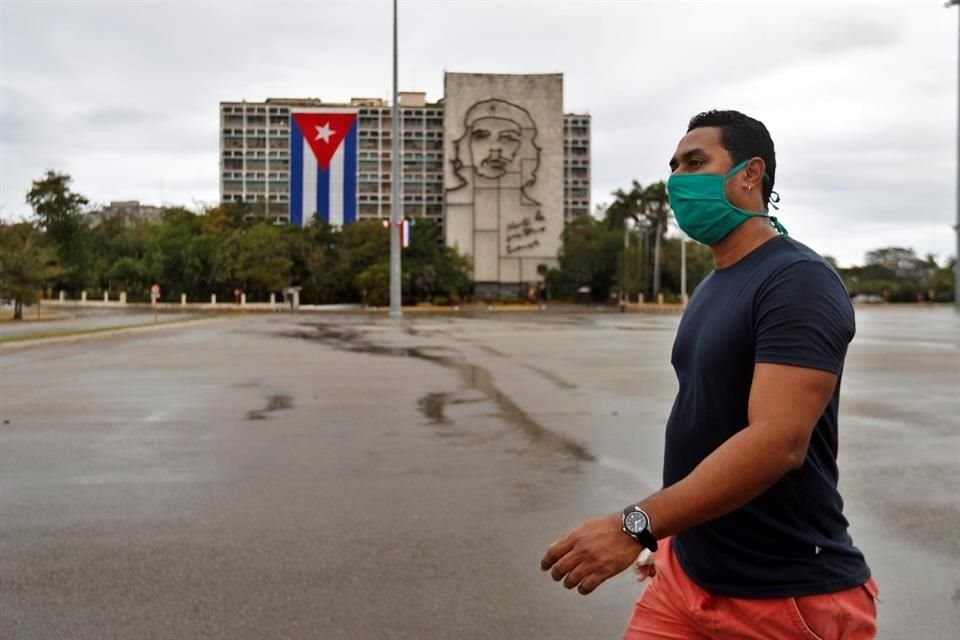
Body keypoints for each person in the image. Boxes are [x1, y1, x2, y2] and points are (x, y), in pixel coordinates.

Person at [540, 110, 878, 639]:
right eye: (673, 166)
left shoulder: (797, 282)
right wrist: (673, 536)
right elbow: (709, 423)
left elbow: (776, 442)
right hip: (686, 577)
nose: (678, 178)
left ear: (750, 174)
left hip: (784, 596)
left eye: (696, 162)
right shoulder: (715, 282)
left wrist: (637, 525)